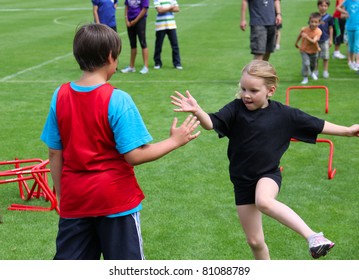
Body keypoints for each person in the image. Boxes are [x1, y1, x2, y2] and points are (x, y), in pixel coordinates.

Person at [40, 23, 200, 260]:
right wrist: (174, 141)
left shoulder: (60, 95)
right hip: (116, 202)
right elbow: (134, 155)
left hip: (76, 200)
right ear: (110, 57)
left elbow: (55, 153)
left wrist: (62, 196)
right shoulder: (117, 99)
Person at [170, 60, 359, 260]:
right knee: (255, 242)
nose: (246, 95)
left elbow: (317, 124)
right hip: (242, 182)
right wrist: (198, 110)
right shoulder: (235, 109)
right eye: (243, 89)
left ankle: (313, 237)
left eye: (253, 90)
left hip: (268, 175)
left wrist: (348, 131)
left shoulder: (285, 115)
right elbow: (211, 123)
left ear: (270, 90)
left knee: (264, 201)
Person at [121, 0, 150, 74]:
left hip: (140, 20)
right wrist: (126, 20)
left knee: (143, 42)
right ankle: (131, 66)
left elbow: (144, 9)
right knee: (132, 44)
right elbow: (126, 7)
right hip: (130, 21)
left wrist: (135, 20)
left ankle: (146, 67)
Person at [153, 0, 183, 70]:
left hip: (171, 25)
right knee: (158, 45)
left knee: (175, 45)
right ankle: (157, 63)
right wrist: (170, 7)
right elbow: (159, 10)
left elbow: (177, 9)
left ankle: (177, 63)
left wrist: (165, 9)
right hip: (160, 25)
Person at [295, 12, 322, 84]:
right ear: (309, 21)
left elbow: (314, 41)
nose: (313, 24)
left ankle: (312, 72)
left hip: (314, 51)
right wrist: (296, 43)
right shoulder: (304, 29)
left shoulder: (318, 32)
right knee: (306, 63)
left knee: (313, 64)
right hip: (304, 50)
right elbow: (300, 36)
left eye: (316, 22)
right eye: (312, 22)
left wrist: (307, 37)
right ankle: (305, 77)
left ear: (319, 23)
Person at [337, 0, 359, 71]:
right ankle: (351, 62)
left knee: (357, 45)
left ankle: (357, 62)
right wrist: (345, 12)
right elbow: (338, 7)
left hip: (357, 26)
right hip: (349, 26)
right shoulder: (347, 1)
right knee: (351, 45)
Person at [314, 0, 334, 79]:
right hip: (316, 39)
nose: (323, 8)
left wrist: (331, 39)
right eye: (321, 6)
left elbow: (331, 28)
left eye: (325, 6)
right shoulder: (315, 16)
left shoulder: (329, 17)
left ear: (328, 7)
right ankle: (315, 70)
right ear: (318, 6)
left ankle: (325, 71)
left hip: (325, 38)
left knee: (325, 56)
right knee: (315, 56)